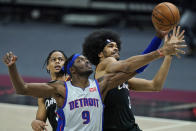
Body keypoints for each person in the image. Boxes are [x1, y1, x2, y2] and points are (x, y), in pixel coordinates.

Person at [3, 33, 185, 130]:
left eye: (86, 59)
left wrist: (164, 52)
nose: (86, 61)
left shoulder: (100, 86)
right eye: (80, 60)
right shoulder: (60, 89)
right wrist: (12, 68)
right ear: (72, 70)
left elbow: (133, 69)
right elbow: (23, 88)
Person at [82, 26, 186, 131]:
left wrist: (168, 56)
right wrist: (161, 50)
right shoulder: (105, 63)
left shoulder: (117, 78)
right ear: (100, 54)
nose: (116, 48)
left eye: (116, 46)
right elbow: (131, 66)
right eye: (110, 46)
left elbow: (155, 85)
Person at [31, 50, 68, 131]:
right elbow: (40, 121)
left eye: (61, 59)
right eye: (53, 60)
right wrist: (35, 123)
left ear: (66, 65)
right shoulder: (43, 93)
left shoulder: (73, 84)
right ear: (48, 66)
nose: (57, 61)